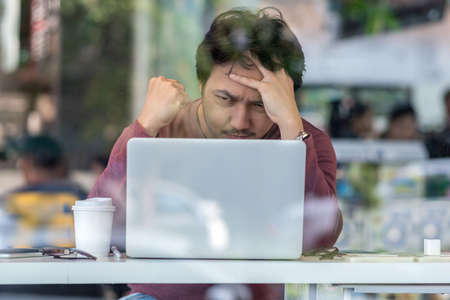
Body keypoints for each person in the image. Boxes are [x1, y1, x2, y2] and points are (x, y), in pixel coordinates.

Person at [90, 7, 343, 300]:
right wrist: (144, 126)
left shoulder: (303, 137)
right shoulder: (162, 127)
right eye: (225, 99)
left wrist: (290, 126)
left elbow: (320, 237)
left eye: (261, 104)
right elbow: (100, 232)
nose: (240, 121)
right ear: (202, 83)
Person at [0, 135, 86, 248]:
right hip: (76, 264)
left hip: (20, 264)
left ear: (26, 165)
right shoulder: (85, 201)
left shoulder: (8, 203)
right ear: (62, 166)